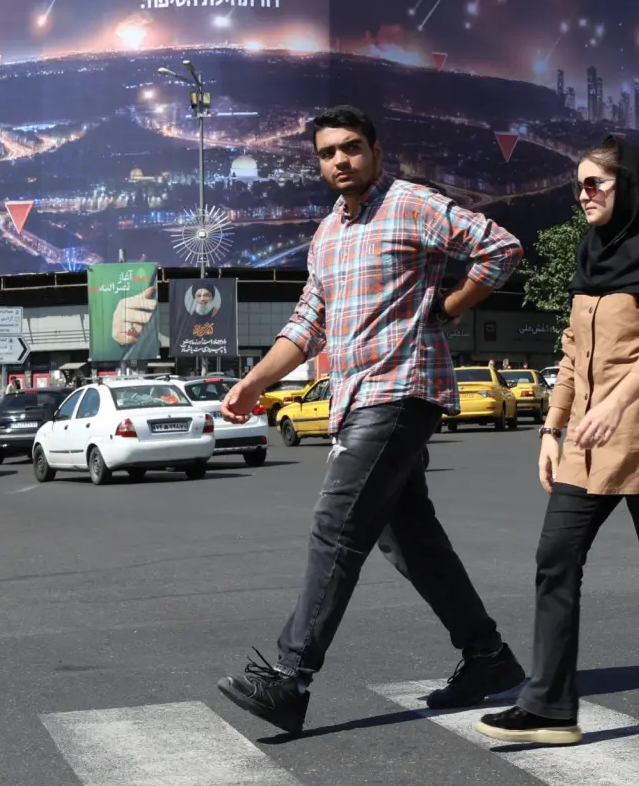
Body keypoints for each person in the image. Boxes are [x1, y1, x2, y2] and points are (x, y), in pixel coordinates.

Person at [215, 104, 525, 735]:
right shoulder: (327, 234)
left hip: (401, 392)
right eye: (328, 152)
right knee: (407, 535)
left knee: (337, 527)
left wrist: (454, 303)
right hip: (353, 399)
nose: (340, 161)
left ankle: (290, 677)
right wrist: (254, 381)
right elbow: (309, 322)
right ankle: (488, 657)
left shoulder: (411, 204)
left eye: (352, 148)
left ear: (377, 152)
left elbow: (500, 247)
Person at [476, 137, 639, 747]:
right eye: (578, 186)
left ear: (631, 187)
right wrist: (551, 427)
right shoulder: (595, 255)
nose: (583, 196)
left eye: (596, 184)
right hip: (586, 441)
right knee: (555, 559)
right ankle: (549, 706)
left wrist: (615, 404)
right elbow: (572, 351)